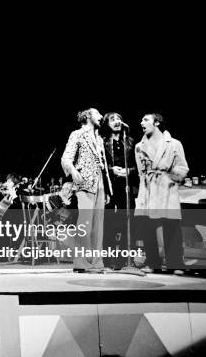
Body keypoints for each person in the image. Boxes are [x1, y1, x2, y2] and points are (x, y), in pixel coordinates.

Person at [135, 113, 189, 275]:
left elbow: (183, 167)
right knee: (148, 227)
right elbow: (140, 172)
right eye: (141, 120)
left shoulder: (173, 144)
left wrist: (169, 173)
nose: (141, 122)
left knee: (171, 225)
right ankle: (152, 263)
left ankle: (176, 263)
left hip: (167, 187)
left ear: (157, 122)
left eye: (145, 120)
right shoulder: (139, 146)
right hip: (148, 189)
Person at [61, 108, 112, 272]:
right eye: (98, 114)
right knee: (85, 224)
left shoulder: (100, 139)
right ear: (88, 116)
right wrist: (73, 171)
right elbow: (66, 158)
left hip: (100, 184)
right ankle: (81, 262)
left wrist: (108, 188)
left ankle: (96, 262)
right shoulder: (77, 134)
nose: (101, 116)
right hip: (85, 183)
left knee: (99, 226)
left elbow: (103, 166)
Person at [101, 112, 138, 269]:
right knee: (108, 222)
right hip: (110, 186)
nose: (117, 121)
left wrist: (129, 171)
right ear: (107, 124)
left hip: (126, 186)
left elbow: (137, 165)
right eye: (112, 119)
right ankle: (108, 260)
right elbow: (100, 165)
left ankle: (124, 260)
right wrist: (112, 170)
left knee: (126, 222)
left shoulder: (130, 142)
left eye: (119, 119)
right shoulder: (103, 142)